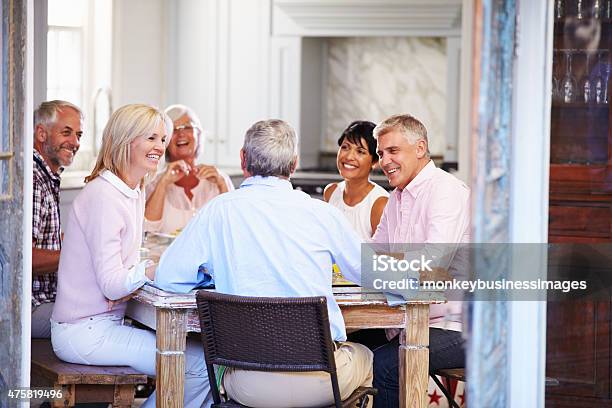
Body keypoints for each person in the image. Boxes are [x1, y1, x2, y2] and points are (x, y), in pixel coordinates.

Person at [155, 119, 373, 408]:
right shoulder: (322, 213)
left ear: (243, 159)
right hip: (320, 380)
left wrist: (212, 277)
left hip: (247, 384)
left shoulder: (218, 211)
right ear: (294, 164)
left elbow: (167, 277)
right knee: (367, 357)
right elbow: (372, 271)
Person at [50, 104, 212, 408]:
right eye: (151, 138)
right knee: (200, 366)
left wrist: (138, 272)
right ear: (126, 140)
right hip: (84, 331)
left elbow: (119, 271)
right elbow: (112, 285)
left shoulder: (133, 190)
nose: (160, 147)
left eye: (162, 139)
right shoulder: (105, 196)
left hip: (105, 323)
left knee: (202, 360)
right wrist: (152, 269)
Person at [371, 114, 469, 408]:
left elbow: (432, 264)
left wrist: (385, 263)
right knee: (346, 346)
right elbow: (370, 255)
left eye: (392, 151)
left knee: (383, 365)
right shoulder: (396, 198)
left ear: (420, 147)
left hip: (456, 328)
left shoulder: (445, 190)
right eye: (380, 153)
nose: (384, 161)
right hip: (408, 322)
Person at [32, 100, 83, 338]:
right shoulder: (32, 179)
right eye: (67, 132)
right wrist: (80, 257)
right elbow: (23, 258)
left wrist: (83, 241)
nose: (75, 143)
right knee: (108, 317)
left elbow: (47, 241)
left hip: (47, 299)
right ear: (42, 134)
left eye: (78, 135)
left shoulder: (46, 175)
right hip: (30, 307)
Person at [145, 104, 233, 234]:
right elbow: (147, 228)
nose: (181, 134)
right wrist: (163, 184)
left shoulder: (220, 179)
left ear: (199, 134)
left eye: (187, 127)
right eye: (173, 130)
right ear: (165, 140)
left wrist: (222, 184)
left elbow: (233, 226)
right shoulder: (153, 182)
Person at [324, 120, 388, 241]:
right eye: (345, 147)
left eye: (360, 152)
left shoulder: (380, 204)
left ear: (375, 162)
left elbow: (385, 257)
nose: (348, 157)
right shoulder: (331, 192)